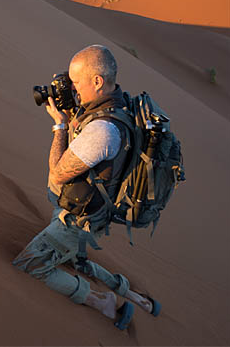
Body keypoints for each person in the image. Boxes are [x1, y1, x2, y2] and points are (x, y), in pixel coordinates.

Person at [13, 45, 154, 327]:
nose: (74, 89)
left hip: (77, 219)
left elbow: (58, 173)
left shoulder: (102, 131)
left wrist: (60, 125)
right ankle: (130, 292)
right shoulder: (119, 105)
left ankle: (103, 303)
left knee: (31, 264)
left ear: (97, 81)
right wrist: (73, 113)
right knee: (75, 260)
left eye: (76, 83)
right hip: (93, 209)